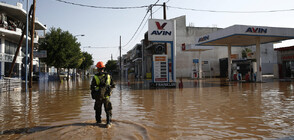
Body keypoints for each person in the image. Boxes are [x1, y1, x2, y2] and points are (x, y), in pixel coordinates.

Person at [90, 61, 115, 127]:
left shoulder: (95, 77)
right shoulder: (109, 76)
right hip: (106, 96)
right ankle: (108, 123)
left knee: (98, 110)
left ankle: (98, 122)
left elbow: (92, 87)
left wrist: (93, 95)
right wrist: (110, 90)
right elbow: (113, 85)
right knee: (108, 110)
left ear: (98, 68)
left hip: (98, 96)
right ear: (104, 68)